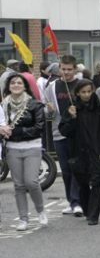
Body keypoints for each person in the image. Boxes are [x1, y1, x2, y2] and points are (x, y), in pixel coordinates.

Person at [59, 79, 100, 225]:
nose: (86, 95)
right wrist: (71, 118)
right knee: (83, 183)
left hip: (98, 151)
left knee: (98, 183)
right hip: (79, 153)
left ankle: (93, 215)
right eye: (83, 92)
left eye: (89, 91)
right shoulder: (72, 108)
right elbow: (64, 131)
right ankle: (87, 208)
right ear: (77, 93)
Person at [0, 73, 47, 231]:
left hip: (32, 147)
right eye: (13, 83)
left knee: (31, 182)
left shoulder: (35, 104)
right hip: (12, 148)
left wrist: (16, 132)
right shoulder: (4, 105)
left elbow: (39, 128)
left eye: (19, 83)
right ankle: (23, 218)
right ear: (8, 86)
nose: (16, 85)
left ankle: (40, 210)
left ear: (25, 86)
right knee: (18, 185)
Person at [43, 55, 83, 216]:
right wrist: (49, 110)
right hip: (59, 132)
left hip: (79, 134)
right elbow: (46, 113)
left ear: (75, 69)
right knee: (66, 169)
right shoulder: (51, 87)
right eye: (63, 69)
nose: (66, 72)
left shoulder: (81, 85)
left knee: (77, 168)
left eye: (69, 69)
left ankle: (76, 201)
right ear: (59, 68)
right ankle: (70, 200)